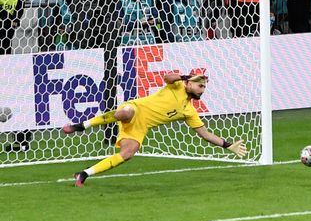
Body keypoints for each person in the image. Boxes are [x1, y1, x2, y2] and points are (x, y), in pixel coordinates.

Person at [65, 73, 247, 187]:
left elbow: (205, 135)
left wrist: (228, 145)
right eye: (200, 86)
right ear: (190, 83)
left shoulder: (189, 111)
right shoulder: (177, 85)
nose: (203, 90)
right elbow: (167, 77)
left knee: (127, 154)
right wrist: (183, 77)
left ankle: (84, 173)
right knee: (125, 113)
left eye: (204, 88)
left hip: (141, 127)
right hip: (136, 108)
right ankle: (82, 125)